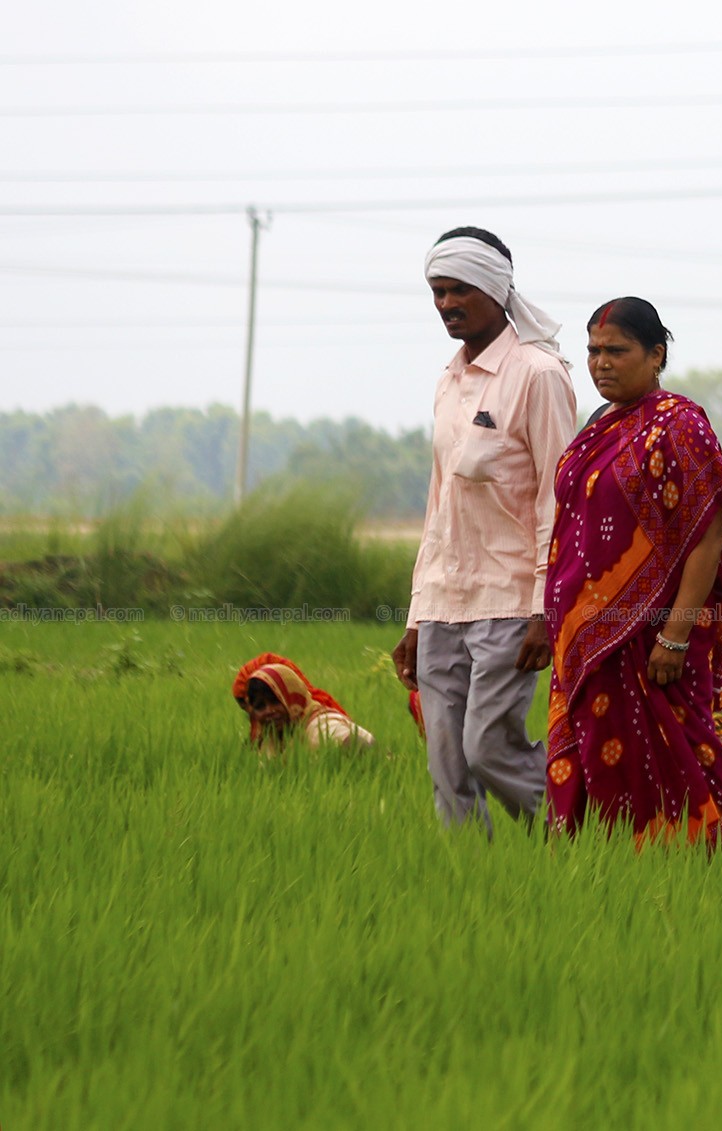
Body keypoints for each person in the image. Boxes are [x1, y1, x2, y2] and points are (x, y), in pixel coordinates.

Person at [542, 297, 722, 848]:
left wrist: (677, 634)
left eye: (617, 350)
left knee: (676, 752)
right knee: (591, 758)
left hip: (650, 636)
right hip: (584, 635)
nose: (601, 363)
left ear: (656, 355)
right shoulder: (597, 426)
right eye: (592, 351)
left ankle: (711, 860)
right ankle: (603, 868)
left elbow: (708, 535)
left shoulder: (680, 424)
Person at [391, 227, 576, 833]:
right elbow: (439, 506)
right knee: (446, 762)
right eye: (437, 292)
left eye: (458, 290)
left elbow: (561, 498)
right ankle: (467, 878)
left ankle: (574, 831)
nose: (446, 304)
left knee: (487, 749)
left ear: (495, 289)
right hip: (445, 600)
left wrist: (544, 608)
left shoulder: (538, 374)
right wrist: (417, 617)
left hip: (509, 600)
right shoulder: (449, 381)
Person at [233, 653, 374, 752]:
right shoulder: (271, 737)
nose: (269, 710)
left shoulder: (320, 726)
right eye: (260, 706)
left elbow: (358, 744)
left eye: (276, 701)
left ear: (292, 698)